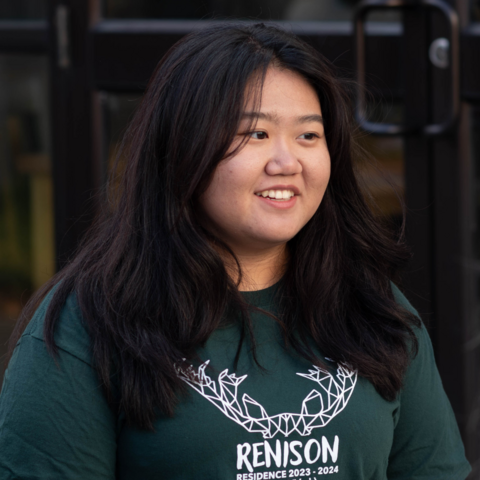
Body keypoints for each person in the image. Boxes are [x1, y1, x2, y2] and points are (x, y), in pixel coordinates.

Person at [0, 23, 471, 480]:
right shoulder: (85, 325)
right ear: (183, 148)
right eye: (255, 134)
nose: (287, 162)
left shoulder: (371, 306)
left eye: (308, 135)